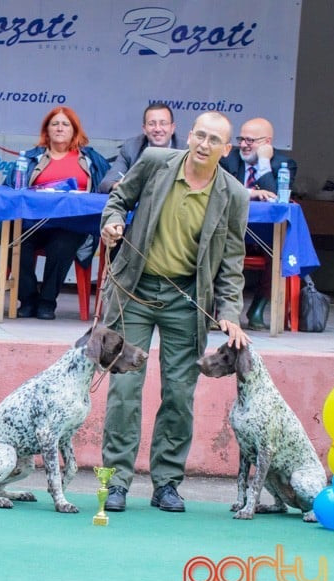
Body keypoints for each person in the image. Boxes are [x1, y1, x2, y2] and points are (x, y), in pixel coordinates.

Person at [99, 111, 251, 514]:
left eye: (213, 140)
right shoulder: (154, 162)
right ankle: (115, 481)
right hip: (134, 290)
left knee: (180, 394)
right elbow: (118, 200)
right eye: (199, 135)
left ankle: (166, 482)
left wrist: (231, 311)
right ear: (189, 135)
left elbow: (232, 260)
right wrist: (112, 223)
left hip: (186, 301)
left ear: (226, 148)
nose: (203, 144)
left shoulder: (234, 195)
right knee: (124, 390)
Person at [5, 106, 110, 319]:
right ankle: (27, 299)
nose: (60, 128)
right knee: (14, 242)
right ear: (47, 130)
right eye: (55, 124)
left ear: (74, 130)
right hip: (33, 223)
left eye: (65, 124)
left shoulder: (90, 158)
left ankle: (47, 302)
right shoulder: (32, 157)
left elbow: (107, 184)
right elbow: (10, 186)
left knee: (62, 245)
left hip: (72, 225)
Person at [219, 117, 299, 329]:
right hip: (229, 229)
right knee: (211, 246)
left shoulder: (284, 164)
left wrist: (263, 165)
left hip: (265, 234)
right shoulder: (228, 159)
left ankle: (257, 309)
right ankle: (217, 311)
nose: (243, 145)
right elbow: (220, 190)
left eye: (250, 140)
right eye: (241, 139)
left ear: (267, 143)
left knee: (278, 254)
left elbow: (275, 197)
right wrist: (252, 193)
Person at [98, 102, 185, 193]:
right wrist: (119, 185)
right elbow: (106, 183)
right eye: (152, 124)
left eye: (163, 123)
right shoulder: (131, 148)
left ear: (172, 128)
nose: (158, 129)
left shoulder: (186, 150)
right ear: (144, 129)